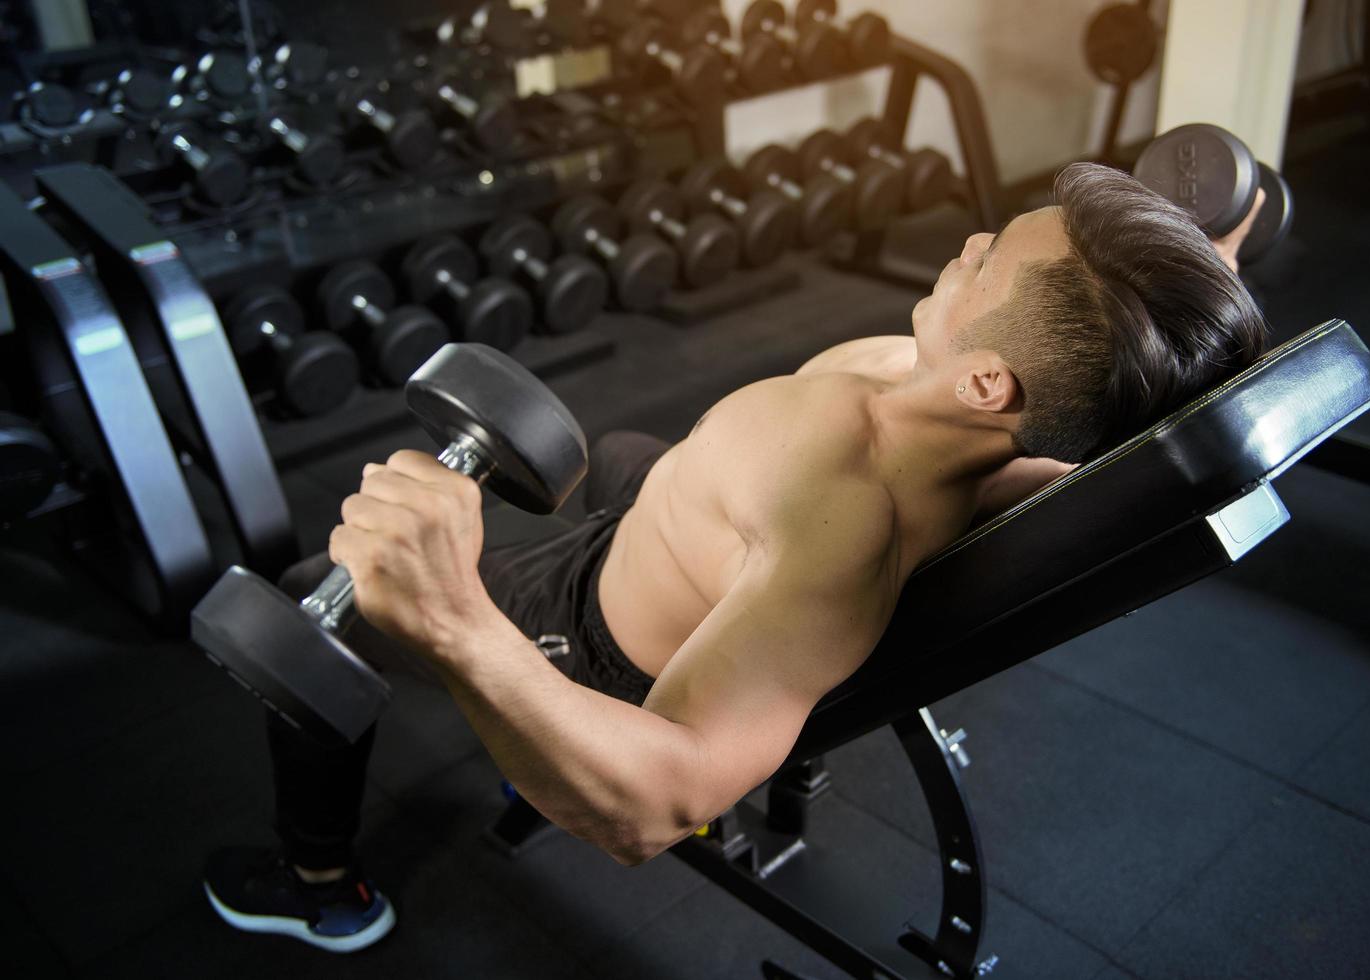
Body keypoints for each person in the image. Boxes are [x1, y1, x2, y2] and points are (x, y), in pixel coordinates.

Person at [203, 163, 1269, 951]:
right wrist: (1191, 290)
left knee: (314, 598)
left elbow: (652, 808)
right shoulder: (987, 410)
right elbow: (1106, 429)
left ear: (987, 385)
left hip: (595, 638)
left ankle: (318, 880)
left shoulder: (835, 543)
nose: (968, 245)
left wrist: (448, 614)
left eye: (987, 260)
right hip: (669, 524)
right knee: (626, 455)